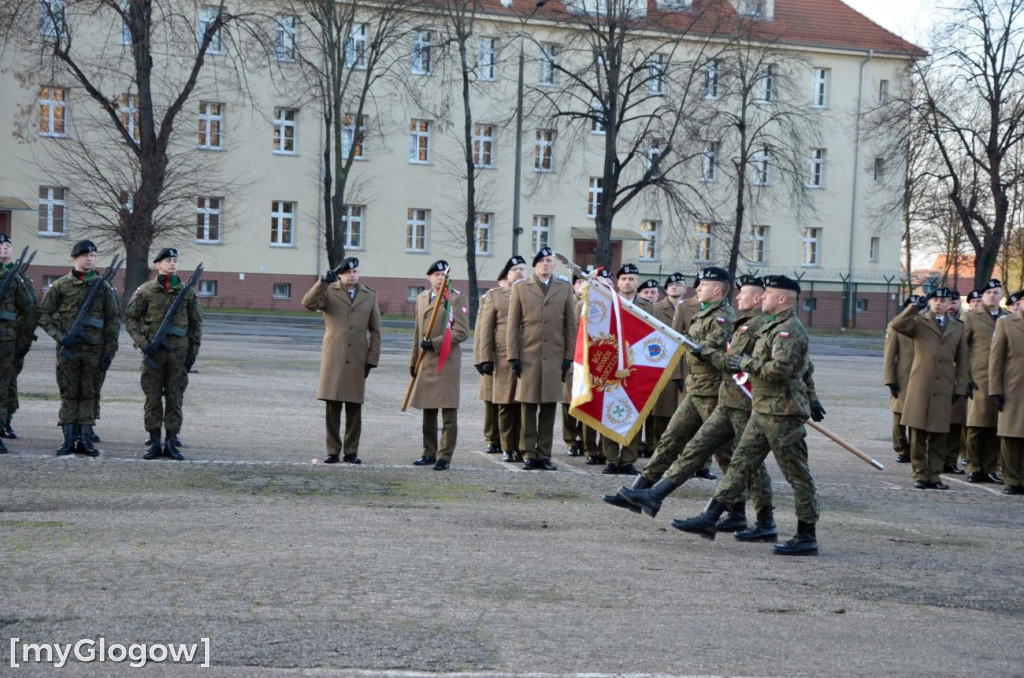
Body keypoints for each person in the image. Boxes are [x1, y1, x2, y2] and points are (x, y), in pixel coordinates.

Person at [672, 275, 821, 555]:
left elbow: (780, 370)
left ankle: (806, 534)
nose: (761, 298)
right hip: (763, 409)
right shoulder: (772, 326)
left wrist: (746, 363)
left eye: (767, 295)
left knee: (796, 474)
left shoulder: (789, 329)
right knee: (740, 464)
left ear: (782, 299)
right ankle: (711, 517)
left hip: (783, 413)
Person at [604, 267, 734, 504]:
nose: (698, 288)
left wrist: (680, 340)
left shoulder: (723, 316)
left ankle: (741, 508)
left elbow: (709, 348)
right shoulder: (703, 312)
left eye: (703, 285)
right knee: (671, 438)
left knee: (724, 451)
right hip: (695, 387)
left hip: (712, 390)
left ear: (716, 290)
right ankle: (638, 490)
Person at [37, 240, 121, 457]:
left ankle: (85, 438)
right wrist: (60, 337)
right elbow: (44, 315)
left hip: (95, 349)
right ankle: (67, 438)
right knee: (69, 392)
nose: (90, 259)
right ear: (75, 257)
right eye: (86, 255)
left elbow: (113, 320)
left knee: (89, 393)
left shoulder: (103, 286)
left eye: (93, 256)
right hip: (69, 349)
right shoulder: (61, 286)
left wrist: (110, 351)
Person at [300, 256, 381, 465]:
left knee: (354, 408)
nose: (352, 276)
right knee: (332, 406)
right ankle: (333, 451)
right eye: (348, 273)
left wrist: (371, 360)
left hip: (357, 358)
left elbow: (376, 331)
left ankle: (351, 451)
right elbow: (307, 303)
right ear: (340, 274)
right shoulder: (329, 291)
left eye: (355, 272)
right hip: (334, 357)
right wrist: (322, 283)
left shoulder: (369, 295)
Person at [889, 288, 969, 490]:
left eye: (943, 300)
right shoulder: (919, 322)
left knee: (939, 433)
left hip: (944, 386)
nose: (939, 304)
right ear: (930, 302)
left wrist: (960, 388)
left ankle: (934, 475)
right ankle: (919, 473)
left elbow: (962, 360)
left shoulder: (958, 326)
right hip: (920, 384)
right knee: (918, 433)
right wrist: (914, 307)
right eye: (935, 300)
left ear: (949, 303)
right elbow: (897, 325)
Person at [506, 247, 576, 471]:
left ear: (553, 265)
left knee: (548, 407)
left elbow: (570, 326)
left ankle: (544, 453)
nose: (545, 264)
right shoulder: (521, 289)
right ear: (535, 265)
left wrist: (569, 356)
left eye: (549, 261)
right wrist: (513, 356)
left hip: (554, 356)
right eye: (541, 261)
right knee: (528, 405)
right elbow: (513, 325)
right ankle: (528, 452)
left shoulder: (564, 288)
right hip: (529, 355)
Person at [409, 260, 469, 471]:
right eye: (435, 275)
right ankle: (428, 452)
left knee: (448, 412)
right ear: (429, 278)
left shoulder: (454, 298)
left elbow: (461, 331)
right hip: (426, 361)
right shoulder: (422, 298)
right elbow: (417, 332)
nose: (439, 278)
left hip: (446, 361)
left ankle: (444, 456)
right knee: (428, 411)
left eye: (443, 275)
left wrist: (434, 343)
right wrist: (414, 360)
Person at [599, 263, 654, 475]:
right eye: (623, 279)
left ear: (637, 283)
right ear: (617, 282)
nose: (627, 282)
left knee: (634, 410)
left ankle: (629, 459)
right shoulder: (608, 302)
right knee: (610, 410)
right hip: (611, 363)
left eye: (631, 279)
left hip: (638, 365)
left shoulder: (648, 306)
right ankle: (611, 458)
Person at [476, 256, 526, 462]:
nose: (520, 272)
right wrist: (484, 358)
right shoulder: (495, 296)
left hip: (527, 356)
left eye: (523, 268)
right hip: (503, 356)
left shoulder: (532, 294)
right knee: (505, 404)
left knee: (525, 405)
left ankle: (523, 447)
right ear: (507, 274)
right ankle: (506, 446)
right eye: (515, 269)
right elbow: (485, 329)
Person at [962, 280, 1007, 483]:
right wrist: (964, 378)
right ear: (982, 296)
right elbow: (961, 349)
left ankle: (989, 468)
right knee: (975, 427)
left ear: (1001, 295)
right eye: (988, 292)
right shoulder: (971, 317)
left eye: (995, 292)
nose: (991, 296)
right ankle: (973, 467)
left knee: (995, 428)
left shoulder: (1008, 318)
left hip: (1002, 381)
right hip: (978, 380)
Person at [0, 233, 38, 453]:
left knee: (6, 384)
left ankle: (5, 421)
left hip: (8, 340)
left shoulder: (18, 277)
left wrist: (21, 339)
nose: (4, 248)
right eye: (1, 245)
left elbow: (29, 308)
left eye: (7, 245)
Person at [643, 272, 687, 459]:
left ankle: (685, 455)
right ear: (666, 289)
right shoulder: (656, 309)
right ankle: (658, 453)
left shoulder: (692, 307)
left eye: (678, 284)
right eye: (670, 285)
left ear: (685, 288)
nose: (674, 287)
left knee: (686, 415)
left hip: (686, 365)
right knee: (661, 412)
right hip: (662, 364)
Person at [988, 292, 1024, 495]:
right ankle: (1011, 479)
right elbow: (996, 360)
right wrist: (995, 390)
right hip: (1013, 389)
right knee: (1011, 437)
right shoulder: (1006, 323)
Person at [884, 295, 920, 464]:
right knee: (899, 417)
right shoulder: (896, 327)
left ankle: (915, 448)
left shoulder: (924, 325)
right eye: (911, 306)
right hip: (902, 377)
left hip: (920, 377)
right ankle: (901, 448)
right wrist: (890, 379)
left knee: (916, 415)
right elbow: (890, 355)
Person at [474, 285, 501, 456]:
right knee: (491, 400)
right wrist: (481, 359)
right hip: (491, 356)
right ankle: (492, 438)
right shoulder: (488, 299)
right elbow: (480, 333)